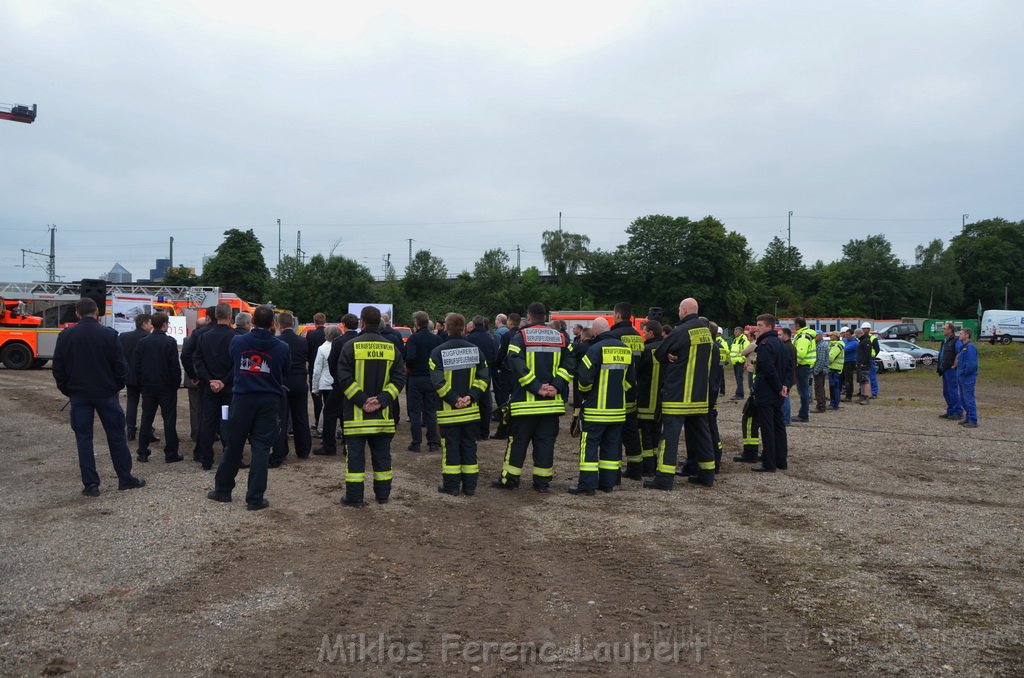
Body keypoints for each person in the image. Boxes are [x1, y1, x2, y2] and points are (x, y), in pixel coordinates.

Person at [52, 297, 145, 496]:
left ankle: (91, 484)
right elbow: (121, 366)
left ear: (77, 314)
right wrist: (115, 385)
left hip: (79, 394)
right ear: (97, 313)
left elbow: (58, 367)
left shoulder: (66, 335)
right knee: (116, 436)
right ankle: (125, 478)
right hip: (106, 393)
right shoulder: (109, 335)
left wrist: (67, 389)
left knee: (84, 439)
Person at [207, 305, 289, 510]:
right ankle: (254, 498)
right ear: (273, 323)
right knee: (261, 448)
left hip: (243, 398)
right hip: (268, 400)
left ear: (252, 322)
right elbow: (283, 370)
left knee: (234, 444)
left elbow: (234, 360)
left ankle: (223, 490)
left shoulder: (238, 341)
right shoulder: (281, 347)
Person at [493, 302, 573, 492]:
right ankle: (542, 482)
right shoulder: (560, 336)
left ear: (528, 317)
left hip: (525, 404)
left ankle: (510, 480)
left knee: (518, 442)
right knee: (545, 443)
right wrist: (556, 386)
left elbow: (514, 361)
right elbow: (571, 362)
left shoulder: (520, 336)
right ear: (545, 317)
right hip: (551, 405)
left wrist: (536, 387)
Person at [337, 305, 407, 507]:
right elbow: (399, 378)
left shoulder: (350, 346)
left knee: (355, 460)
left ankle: (354, 497)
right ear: (380, 323)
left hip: (356, 417)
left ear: (362, 323)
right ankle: (383, 495)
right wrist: (382, 399)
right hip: (383, 416)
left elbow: (343, 377)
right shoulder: (391, 348)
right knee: (383, 457)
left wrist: (362, 400)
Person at [646, 297, 714, 490]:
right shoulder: (706, 332)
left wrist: (668, 355)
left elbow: (660, 353)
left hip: (678, 396)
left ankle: (664, 479)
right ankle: (707, 475)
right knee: (702, 436)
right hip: (700, 397)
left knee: (670, 438)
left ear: (683, 311)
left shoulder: (681, 331)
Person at [568, 317, 635, 495]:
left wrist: (586, 394)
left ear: (596, 332)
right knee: (612, 447)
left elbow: (584, 379)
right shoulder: (625, 349)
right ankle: (607, 483)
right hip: (618, 411)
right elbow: (630, 381)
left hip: (596, 410)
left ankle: (587, 485)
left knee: (589, 447)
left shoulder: (595, 349)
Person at [429, 313, 490, 496]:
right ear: (464, 328)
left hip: (449, 413)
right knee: (470, 447)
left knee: (451, 449)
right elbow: (484, 378)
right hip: (471, 412)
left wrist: (454, 399)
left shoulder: (437, 352)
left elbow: (437, 382)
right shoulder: (475, 350)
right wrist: (470, 397)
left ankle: (452, 486)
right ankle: (470, 486)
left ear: (446, 328)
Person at [133, 312, 182, 463]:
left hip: (148, 386)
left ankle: (142, 451)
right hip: (166, 386)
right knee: (169, 419)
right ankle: (171, 452)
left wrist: (141, 384)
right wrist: (176, 383)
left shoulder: (143, 342)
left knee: (146, 418)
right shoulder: (170, 342)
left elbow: (137, 365)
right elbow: (174, 366)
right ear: (165, 324)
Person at [194, 303, 236, 470]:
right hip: (227, 388)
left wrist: (210, 380)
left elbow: (199, 361)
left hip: (210, 387)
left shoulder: (204, 336)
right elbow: (237, 363)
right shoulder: (235, 337)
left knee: (208, 422)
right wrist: (224, 381)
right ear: (230, 315)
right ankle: (229, 454)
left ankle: (206, 458)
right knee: (227, 421)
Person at [608, 302, 645, 480]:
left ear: (617, 315)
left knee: (614, 433)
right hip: (633, 392)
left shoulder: (615, 336)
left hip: (616, 393)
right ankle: (636, 468)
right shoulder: (637, 336)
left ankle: (613, 471)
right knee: (631, 432)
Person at [314, 313, 360, 456]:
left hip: (341, 384)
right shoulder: (360, 340)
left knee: (329, 413)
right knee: (349, 415)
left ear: (343, 325)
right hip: (358, 383)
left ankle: (329, 446)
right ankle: (349, 445)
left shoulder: (339, 342)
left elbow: (332, 363)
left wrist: (338, 379)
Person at [271, 312, 311, 466]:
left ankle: (281, 450)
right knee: (301, 416)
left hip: (283, 382)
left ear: (278, 325)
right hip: (300, 381)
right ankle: (303, 449)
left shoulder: (277, 341)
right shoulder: (302, 341)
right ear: (293, 324)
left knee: (281, 418)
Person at [751, 314, 788, 473]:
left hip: (768, 390)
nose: (757, 328)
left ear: (769, 326)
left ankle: (769, 462)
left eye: (760, 325)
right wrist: (784, 386)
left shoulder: (766, 344)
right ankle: (781, 460)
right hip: (779, 391)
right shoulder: (780, 343)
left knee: (767, 427)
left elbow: (767, 368)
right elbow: (788, 366)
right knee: (779, 426)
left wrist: (779, 386)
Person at [405, 311, 443, 452]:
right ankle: (433, 442)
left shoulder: (413, 339)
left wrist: (408, 369)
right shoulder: (437, 339)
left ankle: (416, 443)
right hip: (432, 378)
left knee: (415, 412)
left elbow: (410, 358)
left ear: (417, 323)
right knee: (431, 411)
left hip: (416, 378)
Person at [181, 306, 216, 455]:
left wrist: (193, 375)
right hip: (218, 379)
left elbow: (185, 356)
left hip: (199, 378)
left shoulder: (195, 336)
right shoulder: (228, 334)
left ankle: (200, 442)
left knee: (198, 410)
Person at [119, 312, 153, 442]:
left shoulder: (124, 337)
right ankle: (147, 431)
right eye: (150, 323)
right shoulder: (148, 338)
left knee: (131, 403)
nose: (151, 326)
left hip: (129, 375)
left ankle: (130, 431)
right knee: (147, 405)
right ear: (144, 323)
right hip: (145, 377)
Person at [636, 320, 664, 476]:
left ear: (651, 332)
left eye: (645, 332)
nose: (644, 334)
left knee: (644, 434)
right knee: (656, 434)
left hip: (646, 399)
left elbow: (637, 373)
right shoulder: (667, 348)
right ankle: (655, 464)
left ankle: (647, 467)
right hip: (662, 401)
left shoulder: (646, 350)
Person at [465, 314, 498, 440]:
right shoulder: (491, 338)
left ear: (473, 324)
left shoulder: (469, 339)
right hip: (486, 373)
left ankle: (474, 432)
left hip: (471, 373)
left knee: (472, 400)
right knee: (486, 402)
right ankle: (485, 432)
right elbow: (495, 355)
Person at [491, 312, 521, 439]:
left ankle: (503, 431)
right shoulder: (522, 335)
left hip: (507, 372)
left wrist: (497, 366)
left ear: (510, 322)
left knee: (505, 402)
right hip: (520, 373)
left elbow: (501, 354)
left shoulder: (506, 335)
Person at [311, 325, 341, 435]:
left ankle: (325, 431)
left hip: (325, 384)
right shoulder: (343, 346)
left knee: (327, 409)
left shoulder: (322, 348)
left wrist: (315, 388)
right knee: (340, 408)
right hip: (339, 382)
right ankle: (339, 430)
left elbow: (317, 370)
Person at [706, 320, 726, 471]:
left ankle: (715, 459)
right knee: (712, 427)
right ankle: (716, 457)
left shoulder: (710, 349)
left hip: (709, 394)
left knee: (710, 428)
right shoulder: (716, 348)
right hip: (713, 392)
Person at [792, 317, 816, 422]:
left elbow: (800, 354)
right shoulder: (806, 334)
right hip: (804, 366)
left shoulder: (802, 336)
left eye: (794, 324)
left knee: (803, 391)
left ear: (798, 324)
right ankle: (803, 413)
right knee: (803, 390)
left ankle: (803, 415)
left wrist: (793, 363)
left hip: (802, 366)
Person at [937, 322, 963, 420]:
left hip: (951, 370)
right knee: (946, 391)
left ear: (950, 330)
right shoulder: (945, 341)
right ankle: (951, 411)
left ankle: (958, 411)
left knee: (953, 391)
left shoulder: (956, 340)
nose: (943, 330)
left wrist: (954, 365)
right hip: (944, 369)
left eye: (944, 328)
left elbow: (959, 353)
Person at [306, 312, 327, 430]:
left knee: (316, 397)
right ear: (324, 321)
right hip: (328, 369)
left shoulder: (311, 334)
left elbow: (307, 351)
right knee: (328, 397)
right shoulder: (328, 333)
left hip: (314, 367)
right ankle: (327, 422)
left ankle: (318, 420)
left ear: (315, 322)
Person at [955, 328, 979, 428]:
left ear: (967, 335)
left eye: (961, 334)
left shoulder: (970, 347)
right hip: (962, 376)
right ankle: (968, 418)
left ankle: (973, 420)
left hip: (967, 377)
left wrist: (964, 373)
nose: (959, 335)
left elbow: (972, 364)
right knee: (963, 398)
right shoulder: (964, 347)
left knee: (969, 398)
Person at [779, 328, 797, 424]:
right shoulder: (791, 346)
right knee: (786, 397)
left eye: (780, 335)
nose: (778, 337)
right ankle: (786, 418)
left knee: (785, 398)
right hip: (790, 376)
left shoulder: (786, 347)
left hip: (787, 377)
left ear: (786, 335)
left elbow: (786, 364)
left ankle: (786, 419)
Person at [811, 331, 830, 413]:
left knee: (819, 388)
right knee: (820, 388)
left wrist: (815, 371)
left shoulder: (821, 346)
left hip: (820, 370)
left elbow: (821, 360)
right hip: (821, 370)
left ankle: (821, 406)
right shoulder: (821, 344)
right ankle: (821, 405)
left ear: (820, 336)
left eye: (815, 336)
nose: (814, 338)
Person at [729, 326, 748, 400]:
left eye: (736, 331)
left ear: (740, 332)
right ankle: (739, 393)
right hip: (735, 362)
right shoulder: (734, 340)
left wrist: (743, 360)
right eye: (734, 331)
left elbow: (746, 351)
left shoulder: (744, 340)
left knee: (739, 378)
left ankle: (740, 394)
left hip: (740, 362)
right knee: (737, 378)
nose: (734, 333)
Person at [862, 322, 881, 397]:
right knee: (863, 376)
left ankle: (874, 393)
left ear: (869, 329)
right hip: (863, 358)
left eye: (865, 328)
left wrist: (873, 355)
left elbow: (877, 349)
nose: (864, 330)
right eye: (863, 328)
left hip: (870, 358)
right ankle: (862, 392)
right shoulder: (861, 337)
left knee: (872, 376)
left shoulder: (873, 338)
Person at [855, 328, 873, 404]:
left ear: (859, 334)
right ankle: (862, 395)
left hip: (864, 364)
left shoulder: (866, 341)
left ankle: (866, 397)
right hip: (860, 364)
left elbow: (868, 353)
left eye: (856, 335)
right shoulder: (862, 341)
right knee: (861, 381)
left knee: (865, 381)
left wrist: (864, 362)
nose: (856, 337)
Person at [827, 331, 844, 410]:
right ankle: (834, 403)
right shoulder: (833, 345)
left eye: (832, 335)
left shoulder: (837, 346)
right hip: (833, 368)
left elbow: (830, 357)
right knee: (833, 387)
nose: (830, 336)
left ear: (836, 336)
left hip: (835, 368)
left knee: (834, 387)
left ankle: (834, 403)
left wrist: (825, 360)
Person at [841, 327, 858, 401]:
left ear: (852, 335)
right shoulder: (845, 341)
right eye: (845, 335)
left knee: (848, 379)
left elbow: (844, 350)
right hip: (844, 362)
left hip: (850, 362)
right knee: (843, 379)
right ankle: (844, 392)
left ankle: (849, 395)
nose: (846, 336)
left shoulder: (854, 343)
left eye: (848, 335)